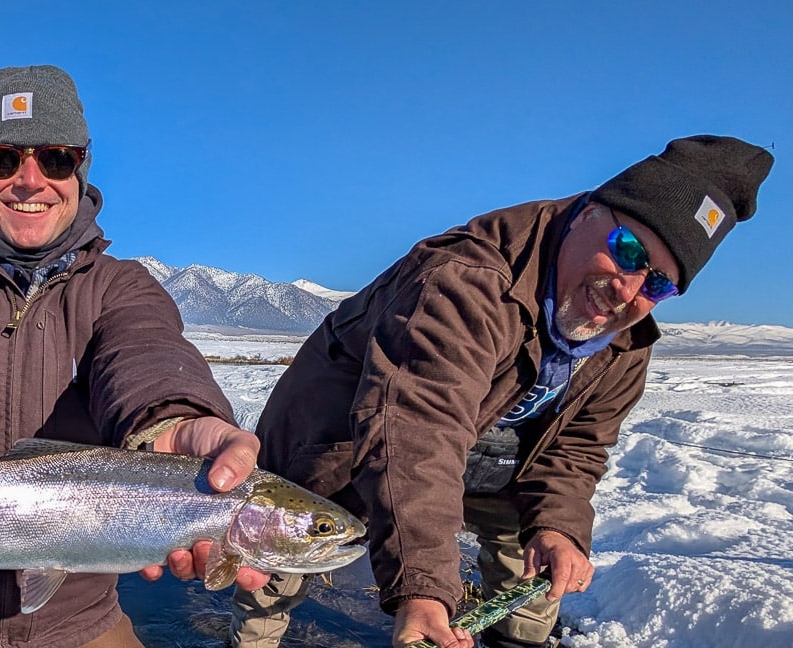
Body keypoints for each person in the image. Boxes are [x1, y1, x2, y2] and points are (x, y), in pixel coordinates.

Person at [230, 135, 774, 648]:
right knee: (280, 550)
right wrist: (424, 590)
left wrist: (558, 526)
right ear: (589, 211)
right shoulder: (467, 279)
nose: (628, 289)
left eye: (659, 283)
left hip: (486, 448)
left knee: (533, 558)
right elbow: (417, 430)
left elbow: (577, 446)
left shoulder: (626, 337)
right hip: (343, 435)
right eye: (628, 251)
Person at [0, 65, 266, 648]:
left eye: (56, 159)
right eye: (2, 159)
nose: (29, 180)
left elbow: (146, 353)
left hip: (81, 624)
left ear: (80, 169)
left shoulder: (123, 287)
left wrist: (178, 421)